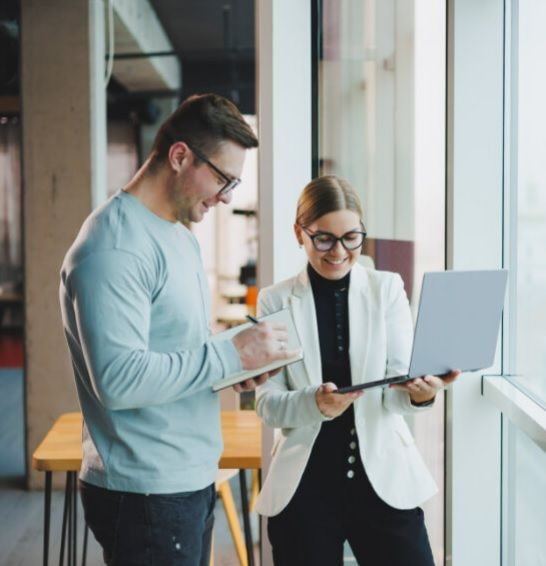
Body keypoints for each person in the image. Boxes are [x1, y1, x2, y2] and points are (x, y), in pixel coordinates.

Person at [59, 93, 293, 566]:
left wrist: (234, 366)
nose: (227, 196)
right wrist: (229, 356)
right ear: (180, 155)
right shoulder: (115, 247)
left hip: (185, 478)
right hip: (146, 491)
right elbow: (120, 380)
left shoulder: (178, 234)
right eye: (224, 179)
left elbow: (176, 349)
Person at [254, 175, 460, 566]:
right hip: (305, 485)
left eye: (352, 237)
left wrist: (423, 392)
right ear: (300, 233)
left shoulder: (386, 289)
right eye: (324, 239)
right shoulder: (275, 300)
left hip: (383, 479)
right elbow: (267, 404)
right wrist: (313, 403)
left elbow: (400, 384)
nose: (339, 251)